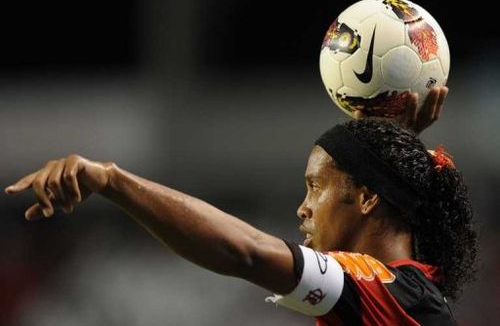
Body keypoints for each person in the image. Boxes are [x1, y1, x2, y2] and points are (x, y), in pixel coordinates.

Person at [5, 87, 477, 325]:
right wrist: (399, 143)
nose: (303, 209)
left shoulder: (390, 293)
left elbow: (246, 252)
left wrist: (111, 180)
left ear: (369, 196)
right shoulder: (410, 297)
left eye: (315, 187)